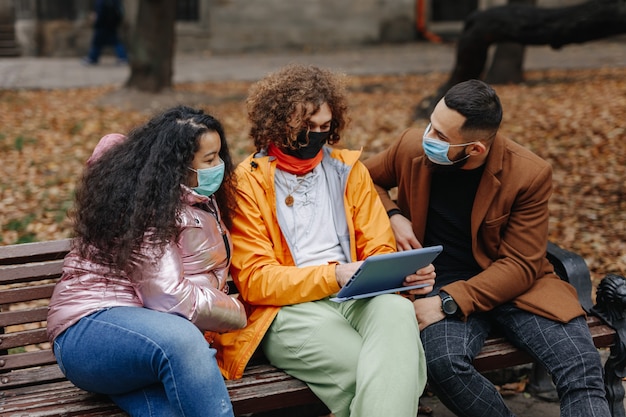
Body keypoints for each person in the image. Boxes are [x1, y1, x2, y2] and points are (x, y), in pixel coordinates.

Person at [364, 79, 611, 417]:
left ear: (476, 149)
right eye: (431, 125)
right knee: (443, 364)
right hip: (440, 282)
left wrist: (448, 303)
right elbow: (362, 181)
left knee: (581, 366)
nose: (428, 138)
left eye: (441, 136)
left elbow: (522, 266)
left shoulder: (528, 173)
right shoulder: (412, 148)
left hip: (517, 289)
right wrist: (393, 214)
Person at [210, 64, 435, 417]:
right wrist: (334, 275)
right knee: (386, 372)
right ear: (279, 124)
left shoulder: (349, 171)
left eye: (324, 127)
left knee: (396, 309)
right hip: (285, 310)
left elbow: (378, 247)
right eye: (305, 128)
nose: (315, 136)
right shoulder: (247, 183)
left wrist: (401, 274)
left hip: (356, 294)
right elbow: (255, 281)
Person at [47, 106, 247, 417]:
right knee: (185, 342)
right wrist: (234, 311)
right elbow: (167, 295)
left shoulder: (198, 201)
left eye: (219, 155)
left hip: (143, 347)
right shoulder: (147, 208)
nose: (219, 166)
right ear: (176, 166)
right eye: (209, 160)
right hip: (89, 330)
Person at [83, 0, 128, 65]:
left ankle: (92, 58)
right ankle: (123, 58)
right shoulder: (115, 1)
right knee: (116, 42)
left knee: (97, 42)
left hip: (102, 26)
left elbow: (99, 14)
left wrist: (96, 23)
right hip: (112, 25)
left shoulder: (101, 1)